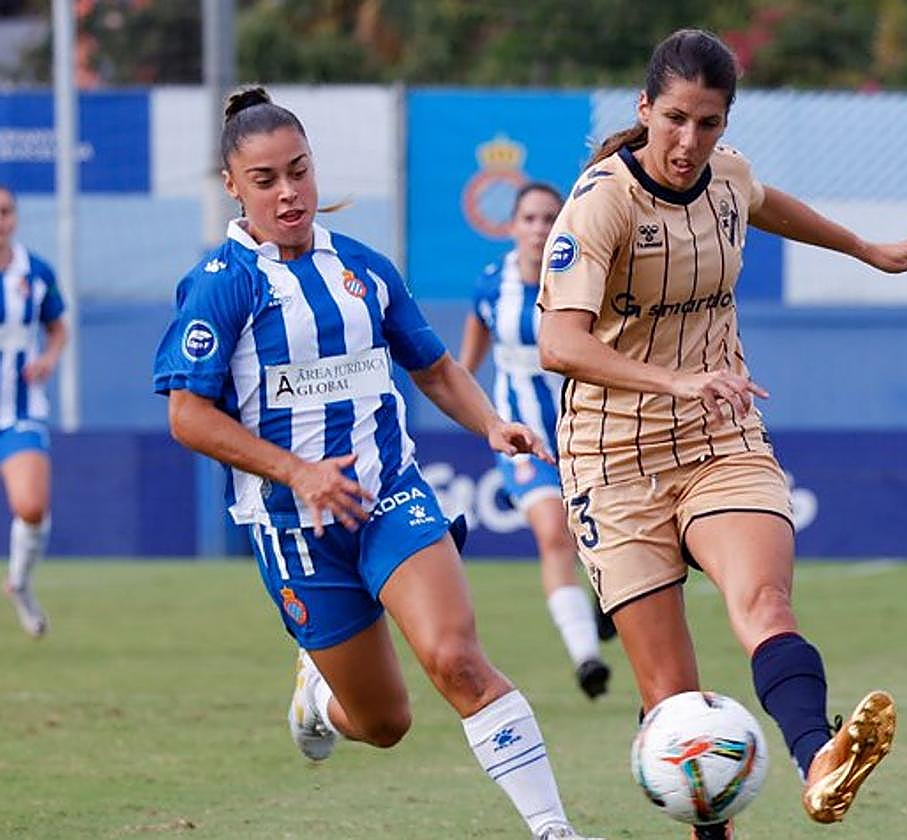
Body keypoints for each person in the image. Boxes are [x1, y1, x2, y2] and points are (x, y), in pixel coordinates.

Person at [152, 87, 601, 840]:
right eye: (265, 180)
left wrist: (491, 422)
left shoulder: (364, 268)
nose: (289, 192)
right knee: (383, 722)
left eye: (299, 170)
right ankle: (314, 701)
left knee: (456, 660)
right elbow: (186, 415)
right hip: (295, 528)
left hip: (390, 496)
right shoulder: (219, 288)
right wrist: (296, 472)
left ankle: (553, 829)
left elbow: (431, 366)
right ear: (233, 185)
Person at [536, 29, 907, 836]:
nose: (689, 142)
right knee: (674, 707)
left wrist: (865, 249)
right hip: (611, 463)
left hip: (718, 440)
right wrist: (674, 378)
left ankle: (817, 756)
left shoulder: (725, 179)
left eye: (710, 124)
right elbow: (559, 342)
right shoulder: (599, 202)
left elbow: (764, 202)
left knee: (764, 602)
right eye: (676, 120)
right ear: (644, 108)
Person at [459, 182, 612, 700]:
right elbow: (466, 362)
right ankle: (586, 656)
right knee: (553, 535)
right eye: (529, 219)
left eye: (550, 219)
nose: (539, 229)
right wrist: (477, 417)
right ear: (512, 226)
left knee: (611, 541)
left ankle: (606, 601)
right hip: (528, 441)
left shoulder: (580, 280)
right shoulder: (488, 287)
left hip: (589, 431)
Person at [0, 186, 67, 639]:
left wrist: (49, 358)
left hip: (17, 410)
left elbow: (58, 327)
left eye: (4, 211)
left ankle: (20, 583)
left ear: (15, 218)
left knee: (31, 506)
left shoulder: (35, 272)